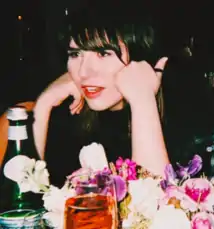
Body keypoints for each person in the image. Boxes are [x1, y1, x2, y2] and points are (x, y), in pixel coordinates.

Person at [31, 2, 170, 186]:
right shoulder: (66, 118)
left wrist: (143, 101)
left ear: (140, 59)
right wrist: (43, 105)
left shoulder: (183, 119)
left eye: (103, 53)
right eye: (75, 54)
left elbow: (156, 208)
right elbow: (19, 207)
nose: (83, 72)